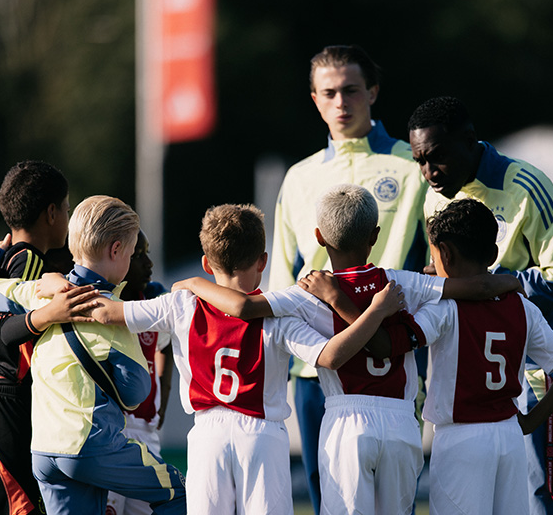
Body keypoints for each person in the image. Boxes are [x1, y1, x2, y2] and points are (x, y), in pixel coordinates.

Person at [187, 185, 522, 515]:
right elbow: (477, 286)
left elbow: (243, 307)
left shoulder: (308, 292)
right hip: (400, 421)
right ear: (374, 236)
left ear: (319, 237)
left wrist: (193, 283)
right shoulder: (402, 282)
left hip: (346, 422)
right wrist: (516, 282)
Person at [80, 203, 403, 514]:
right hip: (263, 437)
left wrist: (52, 288)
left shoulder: (180, 304)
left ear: (206, 264)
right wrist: (373, 313)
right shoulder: (278, 313)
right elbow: (330, 356)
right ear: (263, 261)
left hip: (208, 435)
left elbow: (108, 312)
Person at [270, 45, 430, 513]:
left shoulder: (411, 166)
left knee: (394, 501)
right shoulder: (298, 177)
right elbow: (282, 272)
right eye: (329, 93)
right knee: (331, 503)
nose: (341, 102)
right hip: (318, 364)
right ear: (315, 100)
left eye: (351, 90)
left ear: (373, 92)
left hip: (393, 358)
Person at [408, 96, 553, 515]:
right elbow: (441, 274)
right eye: (420, 161)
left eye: (437, 158)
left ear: (469, 141)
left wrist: (498, 284)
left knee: (544, 491)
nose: (429, 173)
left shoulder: (528, 187)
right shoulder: (435, 197)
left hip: (532, 368)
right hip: (464, 378)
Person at [0, 195, 187, 515]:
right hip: (92, 446)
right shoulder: (112, 313)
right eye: (128, 253)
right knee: (181, 492)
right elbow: (135, 393)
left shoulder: (43, 291)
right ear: (115, 250)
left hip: (43, 450)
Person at [0, 159, 77, 515]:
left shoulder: (4, 261)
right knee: (19, 509)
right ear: (52, 213)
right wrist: (48, 315)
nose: (69, 219)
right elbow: (6, 331)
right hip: (3, 401)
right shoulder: (27, 261)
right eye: (68, 209)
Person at [106, 231, 174, 515]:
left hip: (146, 429)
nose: (148, 263)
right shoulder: (104, 300)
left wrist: (164, 393)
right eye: (138, 255)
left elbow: (166, 347)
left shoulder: (155, 299)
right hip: (112, 431)